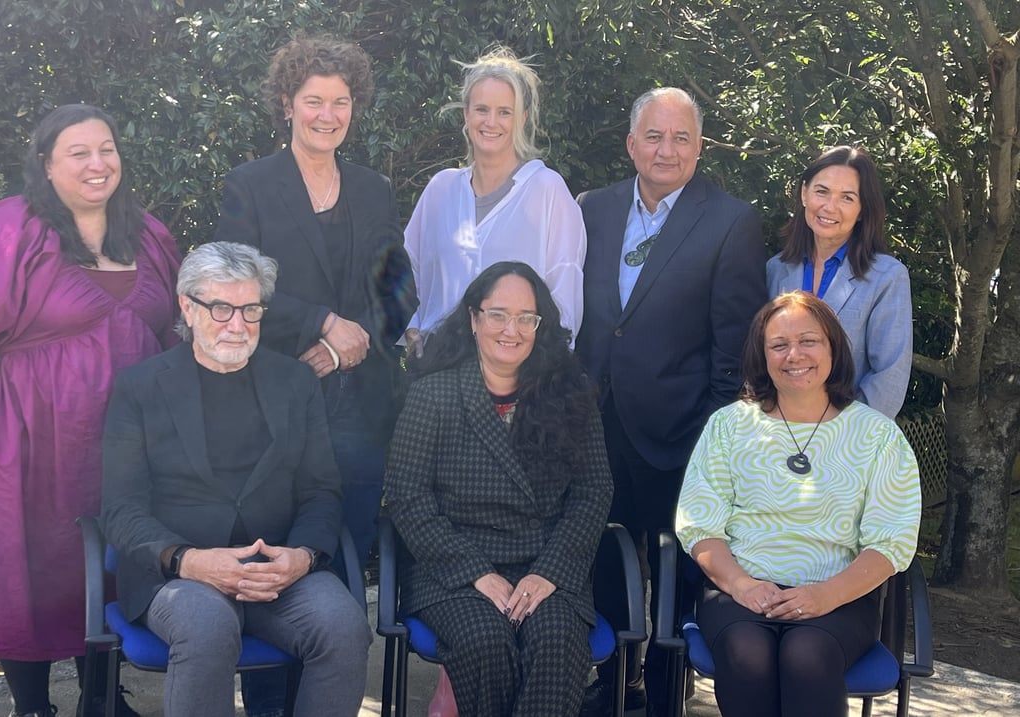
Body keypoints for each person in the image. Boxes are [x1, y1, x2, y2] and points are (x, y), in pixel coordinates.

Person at [0, 104, 180, 717]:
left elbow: (173, 329)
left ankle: (102, 697)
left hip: (125, 442)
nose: (98, 163)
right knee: (27, 565)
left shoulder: (147, 233)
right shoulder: (9, 228)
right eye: (79, 153)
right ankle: (33, 705)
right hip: (31, 437)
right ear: (46, 163)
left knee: (113, 564)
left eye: (107, 149)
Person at [100, 241, 371, 717]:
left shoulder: (295, 382)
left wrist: (303, 557)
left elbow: (321, 490)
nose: (238, 325)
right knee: (206, 627)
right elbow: (120, 509)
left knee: (343, 625)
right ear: (187, 305)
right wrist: (188, 561)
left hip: (277, 569)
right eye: (221, 308)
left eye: (250, 309)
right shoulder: (140, 388)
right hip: (180, 575)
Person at [574, 87, 767, 716]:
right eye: (653, 136)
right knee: (605, 555)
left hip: (680, 434)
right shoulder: (592, 210)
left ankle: (663, 686)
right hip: (597, 424)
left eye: (681, 137)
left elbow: (733, 343)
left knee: (672, 566)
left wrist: (708, 441)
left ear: (699, 146)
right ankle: (612, 681)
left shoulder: (730, 221)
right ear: (631, 144)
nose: (666, 149)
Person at [215, 35, 415, 570]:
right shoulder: (250, 185)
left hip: (361, 398)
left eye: (341, 101)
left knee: (347, 541)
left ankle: (342, 645)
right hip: (276, 391)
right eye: (314, 100)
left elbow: (401, 293)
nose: (328, 115)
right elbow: (233, 289)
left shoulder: (373, 189)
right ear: (287, 104)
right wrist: (323, 323)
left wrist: (353, 343)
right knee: (275, 539)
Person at [674, 290, 921, 717]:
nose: (795, 355)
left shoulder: (877, 436)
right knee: (747, 651)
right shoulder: (729, 426)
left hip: (840, 597)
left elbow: (891, 542)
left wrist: (825, 595)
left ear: (833, 348)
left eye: (809, 340)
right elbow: (700, 526)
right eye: (779, 345)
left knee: (806, 654)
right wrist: (742, 585)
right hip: (740, 592)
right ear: (762, 355)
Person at [385, 262, 613, 716]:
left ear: (539, 326)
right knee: (485, 641)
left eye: (526, 318)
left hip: (545, 565)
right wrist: (473, 571)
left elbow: (594, 492)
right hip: (453, 571)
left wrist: (550, 571)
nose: (512, 330)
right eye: (498, 315)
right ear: (473, 319)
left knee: (556, 642)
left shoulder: (570, 392)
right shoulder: (434, 394)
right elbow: (407, 496)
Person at [403, 46, 586, 349]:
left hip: (517, 377)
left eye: (504, 112)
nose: (491, 122)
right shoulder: (441, 189)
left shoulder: (547, 191)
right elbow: (406, 269)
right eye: (482, 109)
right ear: (466, 113)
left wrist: (548, 372)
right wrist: (411, 330)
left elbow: (564, 295)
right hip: (438, 376)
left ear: (522, 119)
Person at [766, 145, 912, 419]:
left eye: (847, 197)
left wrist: (838, 432)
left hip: (851, 441)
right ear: (804, 193)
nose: (830, 207)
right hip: (779, 434)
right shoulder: (776, 270)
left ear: (862, 209)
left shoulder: (887, 277)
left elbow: (889, 375)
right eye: (822, 191)